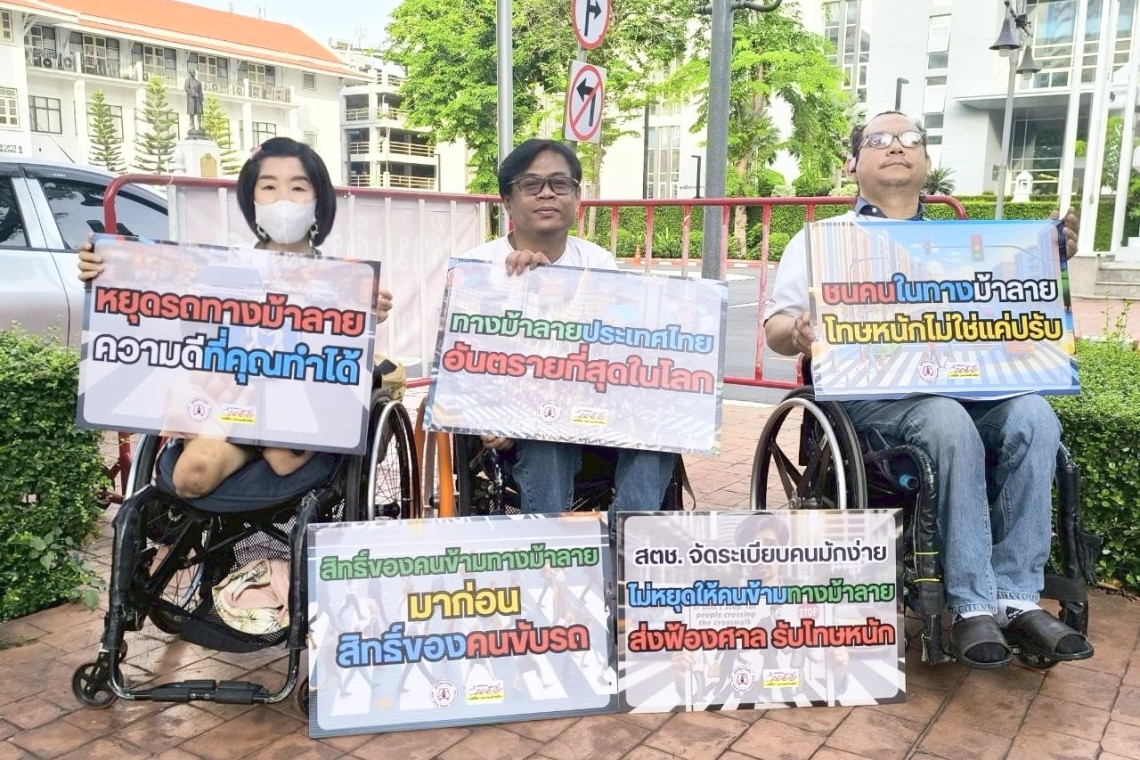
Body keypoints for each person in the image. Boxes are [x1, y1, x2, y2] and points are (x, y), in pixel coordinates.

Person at [763, 111, 1092, 670]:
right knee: (943, 417)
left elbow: (1013, 310)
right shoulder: (824, 240)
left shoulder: (968, 244)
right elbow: (775, 330)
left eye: (910, 139)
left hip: (969, 394)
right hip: (872, 404)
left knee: (1035, 415)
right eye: (880, 140)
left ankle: (1015, 595)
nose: (897, 146)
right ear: (853, 163)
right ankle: (971, 604)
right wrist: (797, 331)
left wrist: (1043, 256)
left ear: (926, 161)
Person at [78, 136, 394, 500]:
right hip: (231, 401)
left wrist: (370, 313)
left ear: (318, 199)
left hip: (296, 403)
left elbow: (345, 352)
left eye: (298, 188)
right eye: (269, 187)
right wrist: (105, 272)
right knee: (191, 476)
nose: (283, 200)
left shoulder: (344, 275)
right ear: (252, 198)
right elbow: (161, 306)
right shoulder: (223, 263)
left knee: (283, 456)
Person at [462, 138, 677, 514]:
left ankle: (624, 536)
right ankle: (551, 544)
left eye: (559, 184)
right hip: (520, 422)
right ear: (508, 201)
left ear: (577, 197)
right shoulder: (477, 268)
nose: (547, 193)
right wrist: (490, 415)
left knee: (662, 427)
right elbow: (461, 361)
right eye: (531, 185)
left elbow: (619, 342)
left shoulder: (599, 263)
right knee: (548, 433)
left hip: (595, 413)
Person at [185, 68, 203, 133]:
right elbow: (186, 89)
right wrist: (193, 92)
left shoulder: (198, 82)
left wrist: (201, 97)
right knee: (191, 113)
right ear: (190, 73)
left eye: (194, 72)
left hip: (198, 99)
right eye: (192, 72)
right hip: (191, 99)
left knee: (199, 113)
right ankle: (192, 126)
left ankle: (199, 126)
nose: (194, 73)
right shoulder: (188, 81)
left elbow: (200, 91)